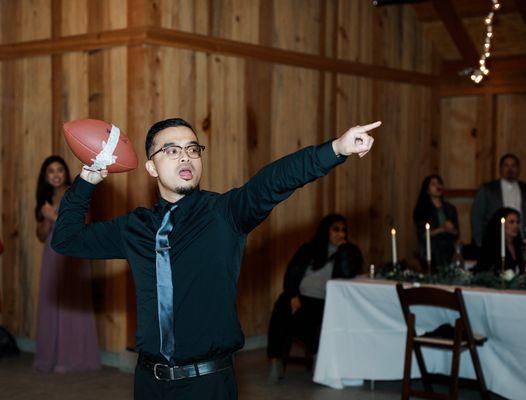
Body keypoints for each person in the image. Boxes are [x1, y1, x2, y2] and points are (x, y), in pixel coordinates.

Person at [52, 117, 380, 400]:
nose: (186, 157)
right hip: (148, 382)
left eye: (193, 149)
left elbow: (273, 182)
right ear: (151, 166)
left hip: (207, 384)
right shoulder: (134, 227)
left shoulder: (224, 214)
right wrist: (89, 178)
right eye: (172, 150)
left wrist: (335, 148)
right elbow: (66, 239)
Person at [266, 214, 363, 381]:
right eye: (336, 229)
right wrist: (293, 296)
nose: (341, 234)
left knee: (301, 317)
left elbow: (348, 273)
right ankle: (276, 360)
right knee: (282, 306)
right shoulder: (308, 249)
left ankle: (316, 352)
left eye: (343, 230)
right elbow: (291, 274)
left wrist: (344, 250)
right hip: (300, 296)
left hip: (323, 300)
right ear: (326, 230)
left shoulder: (349, 252)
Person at [34, 155, 100, 372]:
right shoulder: (45, 200)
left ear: (65, 174)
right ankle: (52, 356)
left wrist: (55, 218)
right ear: (45, 176)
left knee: (73, 302)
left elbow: (85, 223)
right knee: (52, 302)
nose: (55, 174)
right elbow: (42, 235)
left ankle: (73, 358)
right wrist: (46, 219)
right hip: (51, 255)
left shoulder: (75, 194)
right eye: (51, 171)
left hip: (73, 255)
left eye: (59, 170)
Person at [471, 154, 526, 247]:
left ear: (518, 169)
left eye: (513, 166)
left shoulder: (524, 189)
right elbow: (477, 216)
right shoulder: (488, 189)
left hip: (520, 240)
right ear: (500, 169)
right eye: (506, 165)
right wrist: (480, 242)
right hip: (494, 240)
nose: (510, 169)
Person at [413, 174, 459, 269]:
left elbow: (456, 233)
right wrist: (441, 229)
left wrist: (451, 229)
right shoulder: (422, 210)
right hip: (430, 252)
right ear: (427, 190)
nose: (438, 186)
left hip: (447, 252)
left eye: (439, 183)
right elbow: (422, 234)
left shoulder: (450, 209)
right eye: (433, 184)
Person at [476, 207, 524, 275]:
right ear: (501, 224)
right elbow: (484, 272)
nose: (516, 226)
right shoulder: (491, 246)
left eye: (517, 222)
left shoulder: (519, 246)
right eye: (511, 222)